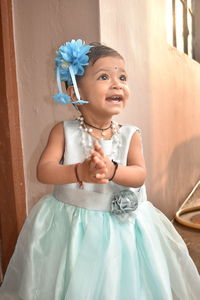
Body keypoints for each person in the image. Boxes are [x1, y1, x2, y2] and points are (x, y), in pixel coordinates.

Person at [0, 39, 199, 300]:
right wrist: (79, 172)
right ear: (74, 93)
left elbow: (139, 175)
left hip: (125, 233)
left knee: (125, 284)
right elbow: (44, 171)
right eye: (104, 76)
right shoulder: (63, 132)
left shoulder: (130, 134)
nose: (118, 84)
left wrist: (113, 170)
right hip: (74, 229)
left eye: (123, 77)